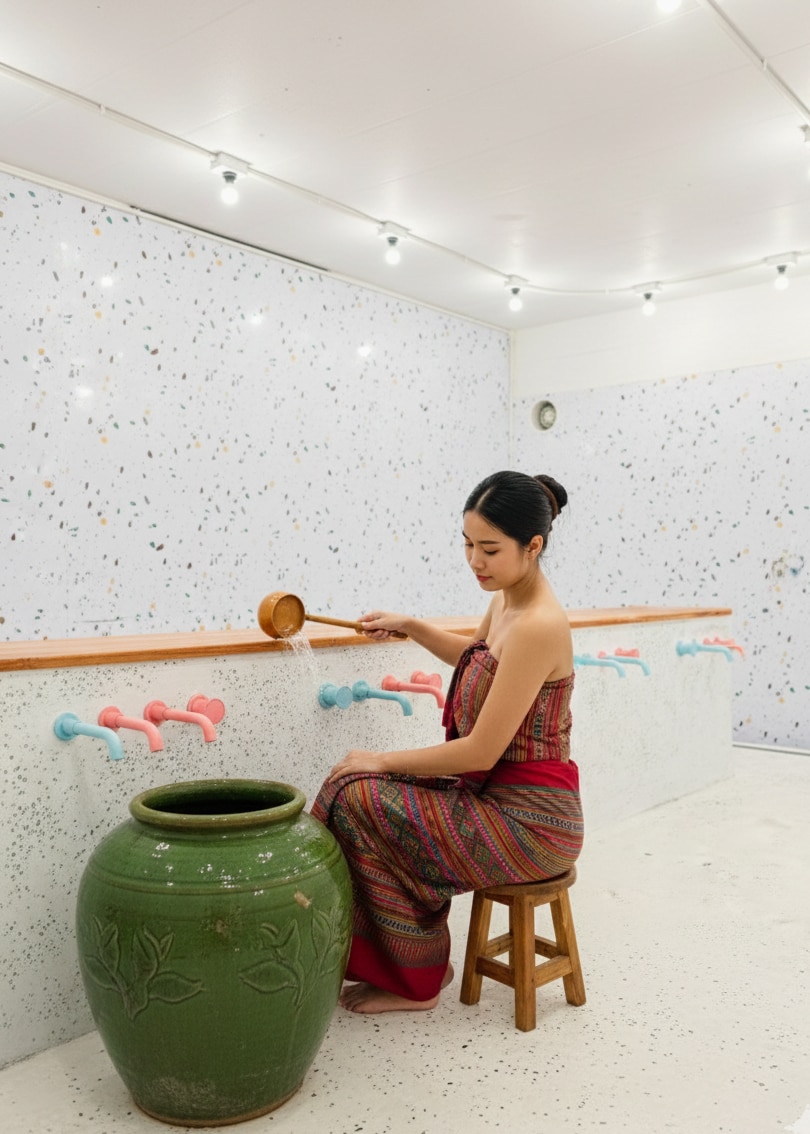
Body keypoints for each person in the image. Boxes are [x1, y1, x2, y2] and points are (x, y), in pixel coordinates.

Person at [311, 470, 583, 1015]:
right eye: (467, 543)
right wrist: (411, 625)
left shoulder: (538, 624)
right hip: (495, 798)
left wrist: (381, 759)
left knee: (358, 794)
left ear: (533, 546)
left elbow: (480, 752)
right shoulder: (506, 601)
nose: (474, 560)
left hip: (533, 822)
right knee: (351, 789)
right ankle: (412, 963)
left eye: (490, 549)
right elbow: (475, 658)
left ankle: (414, 978)